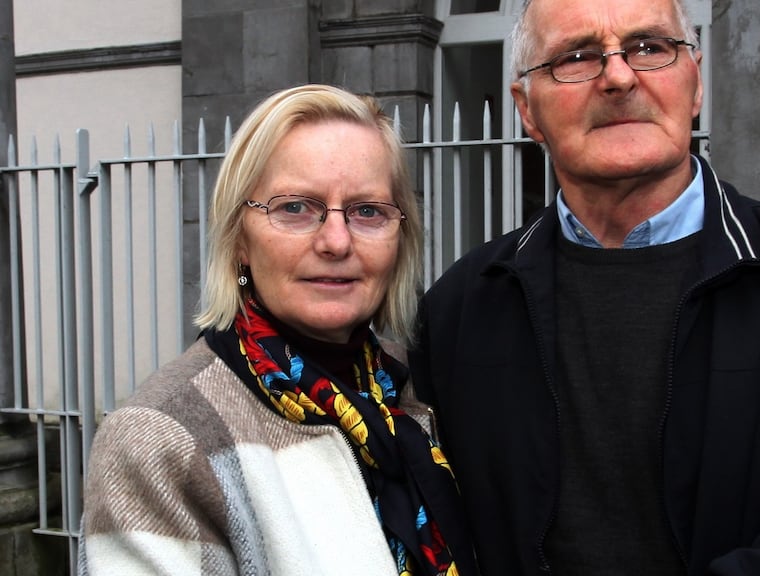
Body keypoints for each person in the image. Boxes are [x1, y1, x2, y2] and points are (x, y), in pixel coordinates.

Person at [407, 0, 760, 574]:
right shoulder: (462, 308)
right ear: (527, 110)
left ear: (696, 83)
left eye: (650, 48)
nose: (617, 76)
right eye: (577, 57)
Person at [79, 85, 476, 576]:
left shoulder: (421, 389)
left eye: (367, 211)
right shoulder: (161, 437)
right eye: (295, 207)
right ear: (239, 240)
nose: (336, 241)